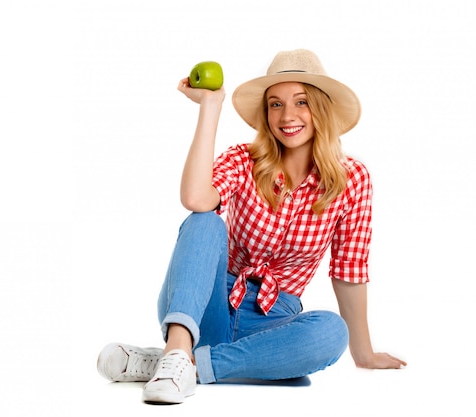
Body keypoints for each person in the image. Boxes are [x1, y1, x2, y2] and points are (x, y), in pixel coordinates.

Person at [97, 49, 406, 405]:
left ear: (321, 108)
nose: (287, 116)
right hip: (204, 307)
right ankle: (179, 349)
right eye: (275, 104)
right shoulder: (243, 160)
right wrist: (210, 106)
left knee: (333, 331)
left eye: (301, 102)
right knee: (205, 221)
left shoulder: (352, 179)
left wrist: (363, 353)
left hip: (271, 326)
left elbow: (348, 269)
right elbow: (197, 198)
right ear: (266, 113)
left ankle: (179, 364)